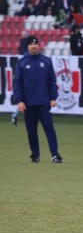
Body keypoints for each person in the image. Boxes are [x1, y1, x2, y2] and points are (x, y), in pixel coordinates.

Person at [13, 36, 64, 164]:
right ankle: (35, 155)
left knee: (49, 129)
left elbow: (52, 81)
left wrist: (53, 97)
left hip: (44, 103)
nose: (34, 46)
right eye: (31, 44)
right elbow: (17, 83)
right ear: (27, 46)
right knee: (31, 131)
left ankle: (55, 155)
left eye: (35, 44)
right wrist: (19, 101)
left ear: (39, 45)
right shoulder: (22, 62)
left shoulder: (46, 61)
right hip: (29, 104)